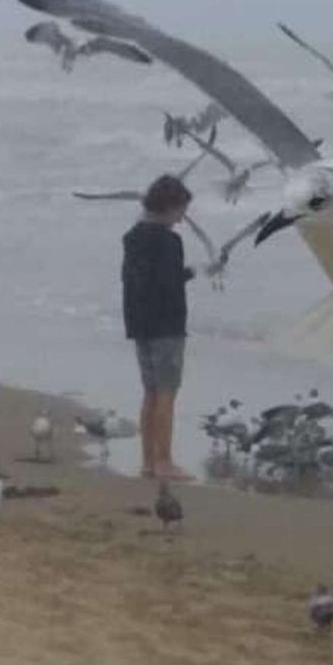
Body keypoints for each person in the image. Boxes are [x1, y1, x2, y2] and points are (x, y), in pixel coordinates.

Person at [122, 175, 196, 480]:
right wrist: (188, 274)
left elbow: (138, 281)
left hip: (140, 323)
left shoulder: (134, 237)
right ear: (169, 207)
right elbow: (168, 285)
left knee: (150, 393)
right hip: (166, 326)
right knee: (166, 393)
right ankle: (164, 460)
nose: (181, 219)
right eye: (181, 210)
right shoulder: (168, 241)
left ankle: (148, 461)